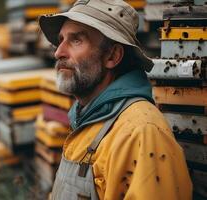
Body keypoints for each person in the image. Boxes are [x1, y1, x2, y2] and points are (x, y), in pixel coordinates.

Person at [39, 0, 192, 199]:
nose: (58, 52)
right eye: (60, 40)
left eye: (76, 40)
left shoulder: (141, 134)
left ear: (112, 55)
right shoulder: (90, 119)